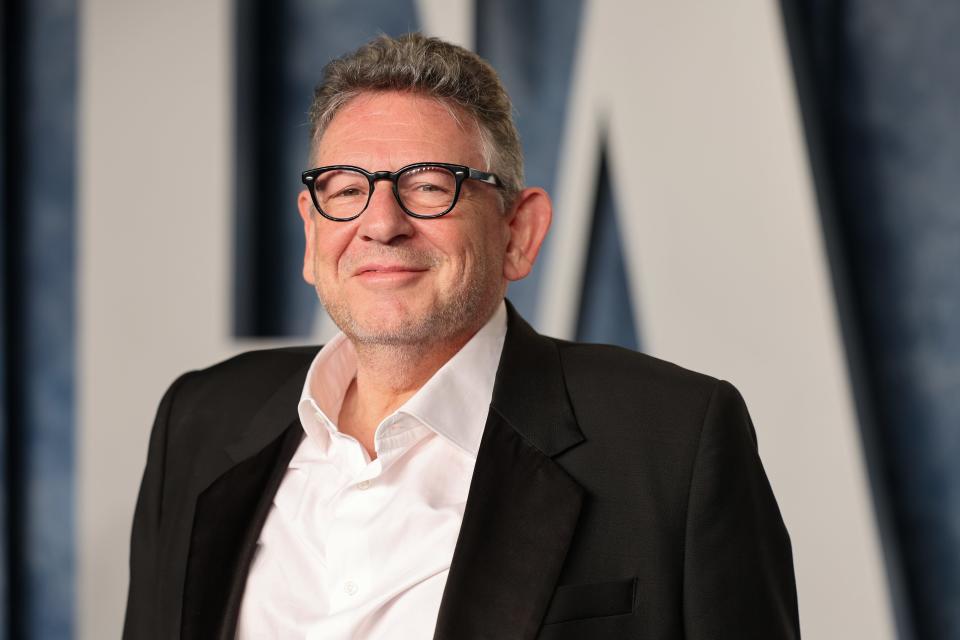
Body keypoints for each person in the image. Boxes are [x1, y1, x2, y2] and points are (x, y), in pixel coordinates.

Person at [123, 33, 800, 639]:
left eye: (429, 186)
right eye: (346, 189)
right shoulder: (199, 421)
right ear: (310, 231)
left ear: (518, 232)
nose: (381, 224)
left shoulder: (672, 443)